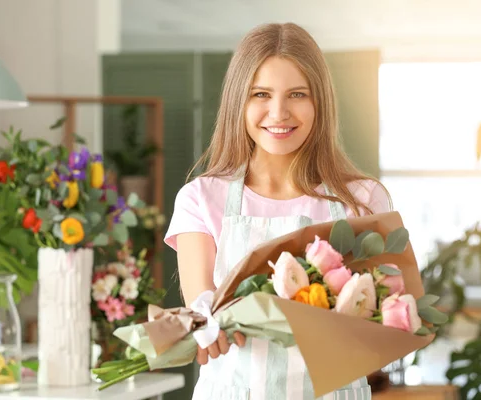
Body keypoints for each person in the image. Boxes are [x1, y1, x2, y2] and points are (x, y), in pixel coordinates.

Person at [164, 22, 391, 400]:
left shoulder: (363, 199)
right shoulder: (200, 198)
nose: (278, 112)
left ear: (320, 100)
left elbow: (376, 328)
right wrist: (204, 325)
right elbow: (200, 299)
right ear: (240, 101)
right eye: (261, 94)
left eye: (297, 94)